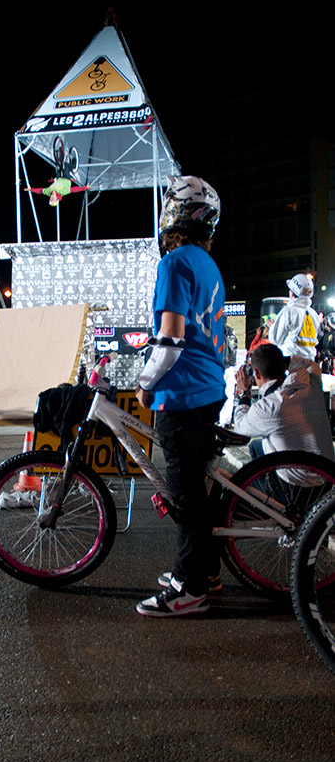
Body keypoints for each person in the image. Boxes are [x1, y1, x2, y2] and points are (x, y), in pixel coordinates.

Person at [134, 174, 226, 617]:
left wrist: (146, 382)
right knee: (195, 491)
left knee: (185, 496)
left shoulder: (173, 263)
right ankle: (206, 571)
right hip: (209, 388)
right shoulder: (208, 265)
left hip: (183, 394)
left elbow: (170, 340)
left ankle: (191, 590)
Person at [234, 343, 334, 461]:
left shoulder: (267, 407)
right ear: (284, 366)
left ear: (255, 373)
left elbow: (240, 426)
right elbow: (311, 365)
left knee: (256, 447)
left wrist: (245, 393)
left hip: (297, 478)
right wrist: (279, 360)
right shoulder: (311, 383)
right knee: (257, 446)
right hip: (328, 471)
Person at [268, 274, 321, 360]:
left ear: (292, 293)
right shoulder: (314, 314)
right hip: (310, 362)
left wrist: (272, 327)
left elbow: (275, 340)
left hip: (290, 362)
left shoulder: (288, 311)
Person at [24, 178, 91, 206]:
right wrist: (85, 188)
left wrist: (31, 189)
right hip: (67, 178)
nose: (51, 198)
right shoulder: (62, 192)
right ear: (56, 198)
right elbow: (74, 190)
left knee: (59, 163)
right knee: (66, 167)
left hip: (59, 177)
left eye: (51, 199)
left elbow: (39, 191)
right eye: (53, 199)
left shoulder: (47, 192)